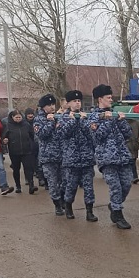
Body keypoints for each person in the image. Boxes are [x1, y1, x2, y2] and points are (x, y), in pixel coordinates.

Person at [88, 84, 133, 230]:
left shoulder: (114, 113)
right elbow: (98, 137)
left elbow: (128, 134)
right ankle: (118, 214)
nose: (111, 99)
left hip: (122, 156)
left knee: (127, 184)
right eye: (108, 97)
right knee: (115, 187)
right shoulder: (93, 117)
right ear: (100, 99)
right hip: (107, 158)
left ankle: (114, 205)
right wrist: (107, 120)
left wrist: (121, 120)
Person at [57, 90, 97, 221]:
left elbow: (92, 138)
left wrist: (84, 122)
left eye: (79, 101)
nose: (77, 103)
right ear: (68, 103)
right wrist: (73, 121)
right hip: (71, 159)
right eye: (74, 101)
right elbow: (63, 134)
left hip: (86, 159)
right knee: (71, 185)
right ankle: (68, 206)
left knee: (89, 187)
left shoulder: (87, 117)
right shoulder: (63, 118)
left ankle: (89, 211)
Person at [34, 94, 65, 215]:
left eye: (53, 104)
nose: (52, 107)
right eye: (49, 105)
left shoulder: (58, 116)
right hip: (48, 157)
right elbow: (41, 135)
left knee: (64, 182)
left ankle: (63, 200)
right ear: (43, 107)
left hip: (61, 155)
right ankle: (57, 204)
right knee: (53, 183)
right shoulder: (39, 119)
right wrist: (51, 122)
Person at [2, 109, 37, 194]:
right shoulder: (8, 126)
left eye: (19, 117)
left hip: (26, 150)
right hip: (14, 151)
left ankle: (31, 186)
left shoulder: (26, 125)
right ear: (12, 117)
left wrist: (31, 145)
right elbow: (4, 137)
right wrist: (5, 141)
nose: (18, 119)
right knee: (16, 169)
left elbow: (32, 135)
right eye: (16, 117)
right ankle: (18, 186)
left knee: (28, 169)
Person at [25, 107, 46, 189]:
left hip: (37, 145)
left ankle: (41, 179)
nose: (30, 115)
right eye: (29, 114)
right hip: (28, 147)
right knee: (30, 165)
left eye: (31, 114)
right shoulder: (24, 124)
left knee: (39, 163)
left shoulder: (37, 122)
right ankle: (30, 181)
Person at [125, 117, 139, 184]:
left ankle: (133, 176)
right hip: (127, 144)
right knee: (130, 161)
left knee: (132, 160)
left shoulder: (137, 123)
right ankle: (133, 176)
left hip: (134, 145)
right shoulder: (122, 122)